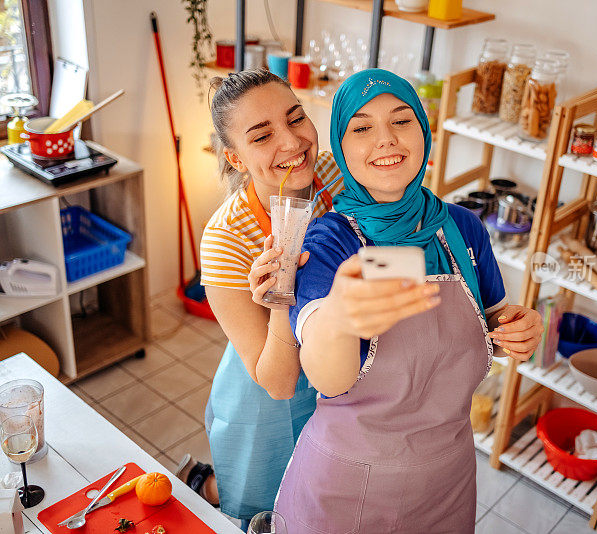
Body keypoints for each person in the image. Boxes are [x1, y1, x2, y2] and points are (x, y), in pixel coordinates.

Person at [274, 69, 544, 533]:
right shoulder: (329, 241)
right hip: (348, 487)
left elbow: (491, 327)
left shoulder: (463, 229)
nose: (386, 140)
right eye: (361, 127)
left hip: (447, 481)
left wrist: (518, 329)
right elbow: (327, 376)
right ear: (340, 146)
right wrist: (339, 318)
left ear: (424, 129)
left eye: (402, 121)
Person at [178, 69, 343, 529]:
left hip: (341, 367)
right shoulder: (226, 237)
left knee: (321, 496)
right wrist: (277, 303)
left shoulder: (333, 175)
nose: (292, 143)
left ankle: (205, 481)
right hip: (268, 388)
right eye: (262, 135)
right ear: (234, 156)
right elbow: (276, 384)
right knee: (260, 503)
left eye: (296, 119)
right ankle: (202, 485)